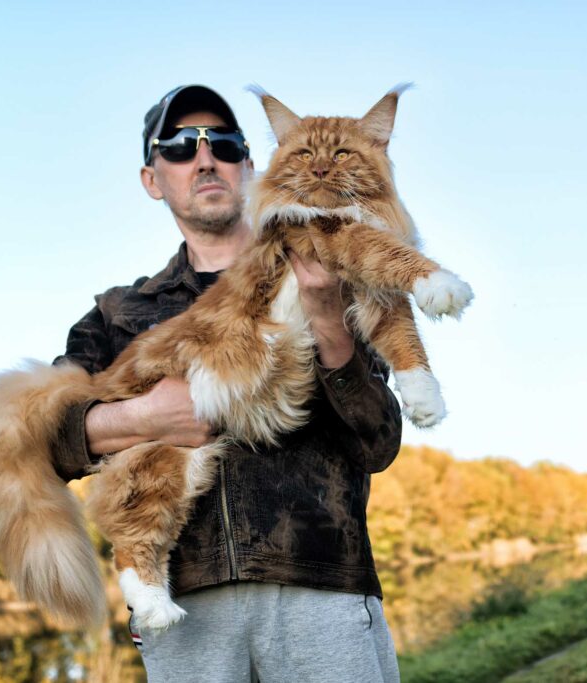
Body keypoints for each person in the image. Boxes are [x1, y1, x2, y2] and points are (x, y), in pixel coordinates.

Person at [48, 85, 403, 682]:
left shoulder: (324, 267)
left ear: (250, 165)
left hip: (320, 590)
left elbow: (380, 443)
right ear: (152, 179)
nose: (204, 159)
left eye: (225, 143)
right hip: (187, 608)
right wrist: (143, 418)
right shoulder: (117, 314)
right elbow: (47, 439)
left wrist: (329, 329)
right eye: (182, 147)